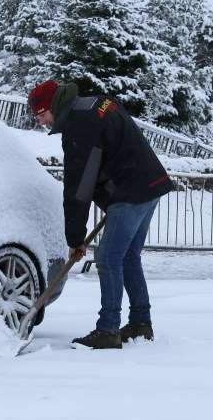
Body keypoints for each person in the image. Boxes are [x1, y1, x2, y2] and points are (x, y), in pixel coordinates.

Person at [27, 79, 175, 349]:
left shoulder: (79, 127)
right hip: (149, 185)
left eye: (41, 115)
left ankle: (108, 328)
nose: (42, 123)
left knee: (107, 257)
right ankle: (141, 323)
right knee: (128, 256)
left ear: (51, 106)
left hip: (131, 194)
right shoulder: (95, 104)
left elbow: (78, 189)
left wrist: (75, 239)